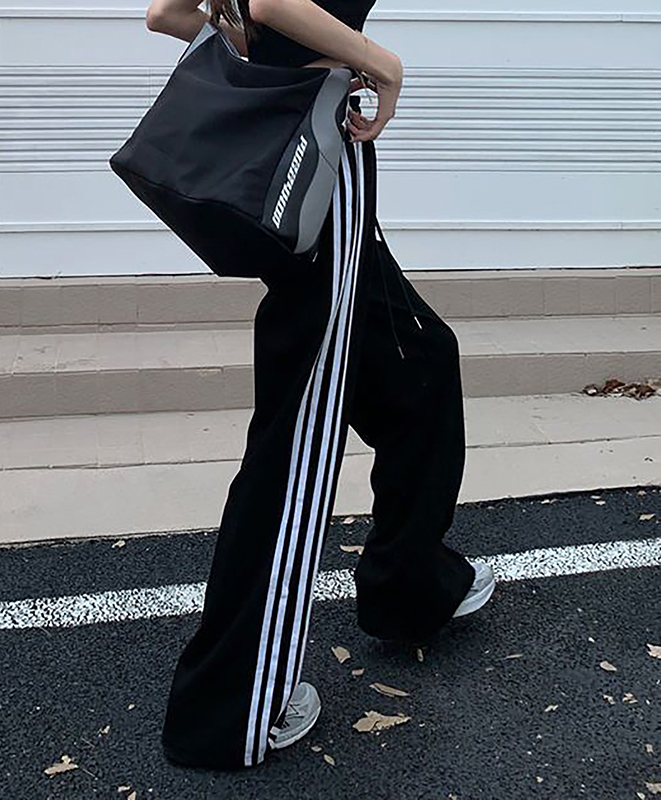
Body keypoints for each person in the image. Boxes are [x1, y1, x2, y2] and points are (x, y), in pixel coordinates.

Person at [144, 0, 496, 770]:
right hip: (321, 161)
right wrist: (380, 63)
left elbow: (169, 13)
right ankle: (229, 710)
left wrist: (266, 52)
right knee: (297, 445)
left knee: (423, 362)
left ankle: (410, 585)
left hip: (312, 147)